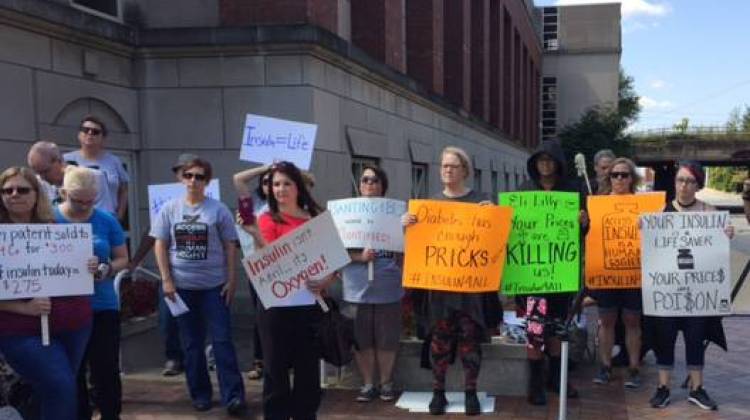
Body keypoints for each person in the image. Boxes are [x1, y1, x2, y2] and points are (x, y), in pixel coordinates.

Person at [402, 146, 499, 416]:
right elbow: (419, 246)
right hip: (439, 288)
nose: (447, 170)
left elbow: (496, 241)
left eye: (453, 166)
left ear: (465, 171)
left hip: (470, 289)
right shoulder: (429, 205)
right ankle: (438, 391)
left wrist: (492, 216)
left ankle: (470, 392)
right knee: (439, 340)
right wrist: (407, 225)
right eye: (444, 166)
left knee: (470, 339)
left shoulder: (480, 201)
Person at [0, 166, 98, 420]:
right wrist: (23, 307)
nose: (14, 195)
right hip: (21, 330)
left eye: (22, 189)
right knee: (61, 384)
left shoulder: (54, 227)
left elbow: (73, 272)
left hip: (75, 324)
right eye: (7, 190)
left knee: (56, 390)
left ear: (36, 194)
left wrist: (89, 265)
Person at [152, 157, 246, 416]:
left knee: (222, 341)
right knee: (191, 344)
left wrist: (231, 278)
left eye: (200, 176)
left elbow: (230, 245)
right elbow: (160, 243)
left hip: (214, 288)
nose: (194, 180)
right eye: (189, 175)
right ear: (182, 178)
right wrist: (166, 279)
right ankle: (200, 394)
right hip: (181, 288)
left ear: (207, 181)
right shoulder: (169, 209)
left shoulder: (218, 210)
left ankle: (234, 396)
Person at [647, 161, 733, 411]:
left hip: (698, 294)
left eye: (689, 181)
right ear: (674, 183)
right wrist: (644, 230)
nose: (684, 186)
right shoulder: (660, 213)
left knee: (696, 338)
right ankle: (663, 387)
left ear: (698, 185)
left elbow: (717, 250)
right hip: (668, 292)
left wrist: (726, 233)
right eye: (680, 180)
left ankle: (697, 388)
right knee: (665, 339)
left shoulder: (709, 213)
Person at [255, 161, 334, 420]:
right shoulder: (265, 220)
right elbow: (265, 261)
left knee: (307, 372)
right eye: (276, 184)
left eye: (287, 183)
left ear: (298, 187)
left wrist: (327, 280)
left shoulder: (316, 217)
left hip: (308, 307)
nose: (280, 189)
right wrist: (254, 234)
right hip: (275, 308)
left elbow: (333, 258)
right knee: (275, 371)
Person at [53, 167, 129, 420]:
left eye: (90, 201)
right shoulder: (50, 220)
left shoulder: (106, 220)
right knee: (72, 370)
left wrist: (107, 269)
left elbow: (122, 259)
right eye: (78, 200)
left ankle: (110, 415)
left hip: (101, 305)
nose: (85, 206)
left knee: (105, 368)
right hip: (63, 307)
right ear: (63, 193)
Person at [515, 139, 583, 405]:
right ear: (535, 164)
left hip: (561, 272)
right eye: (540, 160)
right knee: (535, 330)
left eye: (550, 160)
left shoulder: (572, 191)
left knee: (556, 328)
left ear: (558, 163)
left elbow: (583, 232)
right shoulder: (524, 190)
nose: (545, 165)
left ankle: (557, 378)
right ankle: (535, 383)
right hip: (532, 275)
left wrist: (583, 222)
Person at [127, 153, 200, 376]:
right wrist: (135, 260)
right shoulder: (166, 203)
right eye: (183, 172)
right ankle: (174, 357)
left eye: (193, 172)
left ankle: (195, 359)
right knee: (169, 319)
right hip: (171, 270)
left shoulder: (208, 201)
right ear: (178, 176)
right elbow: (152, 235)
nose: (188, 177)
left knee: (197, 320)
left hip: (201, 273)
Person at [343, 165, 404, 403]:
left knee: (387, 338)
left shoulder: (394, 213)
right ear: (359, 185)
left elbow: (407, 246)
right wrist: (359, 257)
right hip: (356, 288)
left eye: (375, 180)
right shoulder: (346, 214)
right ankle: (368, 383)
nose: (369, 183)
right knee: (362, 339)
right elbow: (333, 249)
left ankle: (386, 382)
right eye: (365, 179)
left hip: (388, 285)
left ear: (382, 185)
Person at [591, 157, 645, 388]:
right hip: (607, 273)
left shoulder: (643, 205)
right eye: (615, 174)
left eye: (625, 174)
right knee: (607, 320)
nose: (620, 179)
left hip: (635, 274)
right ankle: (605, 366)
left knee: (632, 320)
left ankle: (634, 367)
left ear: (632, 178)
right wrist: (584, 222)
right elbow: (588, 235)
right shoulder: (598, 203)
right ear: (608, 178)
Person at [233, 165, 271, 381]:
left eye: (273, 181)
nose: (270, 186)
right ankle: (260, 361)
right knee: (260, 316)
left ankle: (283, 359)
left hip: (283, 265)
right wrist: (267, 167)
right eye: (265, 182)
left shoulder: (287, 203)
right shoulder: (252, 205)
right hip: (256, 266)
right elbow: (238, 178)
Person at [63, 116, 129, 222]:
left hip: (108, 217)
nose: (90, 134)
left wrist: (119, 215)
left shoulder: (114, 161)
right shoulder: (66, 160)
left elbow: (124, 189)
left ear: (103, 138)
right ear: (79, 135)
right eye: (85, 130)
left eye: (95, 132)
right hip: (76, 219)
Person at [27, 140, 109, 208]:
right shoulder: (39, 184)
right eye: (38, 173)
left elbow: (104, 214)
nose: (42, 177)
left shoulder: (94, 178)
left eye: (45, 171)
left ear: (59, 161)